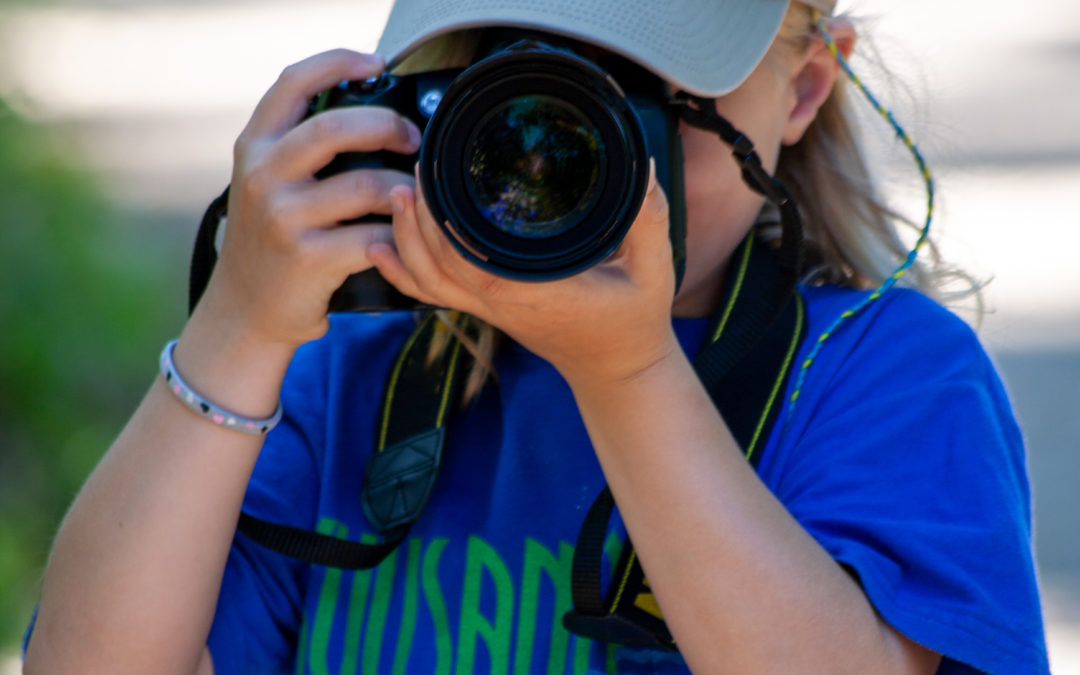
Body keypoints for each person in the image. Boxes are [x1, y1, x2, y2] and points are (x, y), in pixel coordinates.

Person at [23, 0, 1049, 673]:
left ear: (807, 87)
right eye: (526, 92)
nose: (574, 147)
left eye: (646, 98)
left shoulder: (884, 379)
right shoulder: (343, 385)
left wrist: (632, 374)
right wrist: (240, 326)